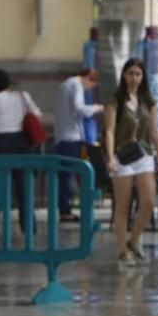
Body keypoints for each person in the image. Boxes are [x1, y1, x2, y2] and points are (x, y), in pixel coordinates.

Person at [104, 58, 158, 264]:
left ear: (143, 76)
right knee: (123, 203)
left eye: (138, 74)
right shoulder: (116, 101)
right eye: (130, 73)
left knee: (148, 201)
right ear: (124, 75)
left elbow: (155, 130)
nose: (134, 78)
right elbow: (110, 130)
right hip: (122, 155)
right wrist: (110, 157)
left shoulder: (149, 101)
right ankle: (123, 250)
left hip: (144, 154)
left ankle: (135, 239)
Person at [0, 68, 42, 232]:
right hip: (21, 143)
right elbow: (36, 113)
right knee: (24, 185)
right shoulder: (23, 95)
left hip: (1, 143)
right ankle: (29, 226)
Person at [53, 67, 105, 222]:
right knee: (69, 175)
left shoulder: (64, 85)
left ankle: (63, 208)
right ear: (89, 77)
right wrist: (96, 108)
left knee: (63, 175)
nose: (89, 89)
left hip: (61, 135)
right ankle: (65, 210)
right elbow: (79, 108)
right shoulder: (76, 84)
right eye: (91, 85)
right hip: (71, 136)